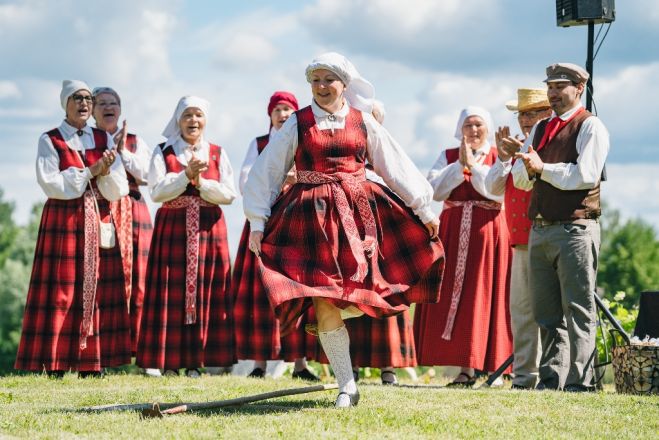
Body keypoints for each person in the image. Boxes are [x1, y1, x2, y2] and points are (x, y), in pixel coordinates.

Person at [243, 52, 445, 407]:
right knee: (322, 293)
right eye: (315, 81)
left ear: (344, 84)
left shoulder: (362, 120)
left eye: (328, 80)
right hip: (312, 220)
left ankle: (348, 370)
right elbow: (268, 170)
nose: (321, 87)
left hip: (359, 213)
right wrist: (258, 221)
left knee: (354, 291)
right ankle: (346, 384)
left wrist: (423, 207)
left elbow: (393, 165)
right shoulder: (298, 123)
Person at [15, 80, 131, 378]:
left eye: (87, 99)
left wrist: (104, 174)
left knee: (99, 287)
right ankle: (55, 362)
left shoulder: (102, 138)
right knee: (61, 290)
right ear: (65, 104)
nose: (83, 103)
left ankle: (92, 363)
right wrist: (91, 172)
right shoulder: (50, 139)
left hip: (97, 215)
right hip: (64, 220)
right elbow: (50, 183)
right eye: (76, 98)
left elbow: (119, 187)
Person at [510, 63, 609, 392]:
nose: (553, 93)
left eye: (560, 86)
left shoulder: (591, 126)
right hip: (541, 228)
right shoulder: (540, 130)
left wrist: (541, 167)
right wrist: (524, 165)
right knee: (547, 313)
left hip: (576, 229)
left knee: (579, 308)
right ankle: (550, 380)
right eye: (550, 86)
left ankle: (581, 382)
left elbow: (586, 175)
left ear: (579, 89)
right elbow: (521, 181)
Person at [137, 96, 237, 378]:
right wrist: (185, 176)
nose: (193, 121)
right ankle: (169, 363)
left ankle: (196, 362)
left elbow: (229, 194)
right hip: (174, 226)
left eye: (198, 115)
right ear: (178, 120)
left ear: (205, 120)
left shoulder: (216, 152)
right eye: (187, 116)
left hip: (209, 228)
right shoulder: (164, 151)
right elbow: (157, 191)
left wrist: (201, 182)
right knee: (170, 292)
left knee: (208, 291)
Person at [413, 106, 513, 387]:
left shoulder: (498, 156)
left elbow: (496, 190)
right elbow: (434, 190)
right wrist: (459, 166)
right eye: (468, 125)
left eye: (479, 125)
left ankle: (494, 368)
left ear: (488, 128)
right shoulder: (447, 156)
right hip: (453, 233)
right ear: (460, 129)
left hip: (488, 234)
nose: (474, 130)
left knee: (487, 296)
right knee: (457, 298)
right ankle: (465, 369)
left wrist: (473, 166)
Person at [233, 91, 319, 380]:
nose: (282, 114)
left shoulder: (304, 141)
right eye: (278, 109)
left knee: (296, 292)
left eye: (288, 109)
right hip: (264, 224)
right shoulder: (259, 144)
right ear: (269, 114)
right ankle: (258, 363)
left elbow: (317, 178)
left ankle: (300, 364)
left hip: (296, 224)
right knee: (261, 296)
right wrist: (282, 177)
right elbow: (246, 181)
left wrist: (299, 177)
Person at [342, 99, 418, 385]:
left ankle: (389, 367)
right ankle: (350, 366)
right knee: (350, 299)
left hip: (384, 241)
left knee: (386, 296)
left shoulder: (389, 154)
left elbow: (404, 184)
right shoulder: (345, 154)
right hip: (349, 239)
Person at [485, 88, 552, 389]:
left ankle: (550, 374)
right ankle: (525, 377)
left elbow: (527, 186)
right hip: (521, 240)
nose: (526, 119)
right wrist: (502, 158)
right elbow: (493, 188)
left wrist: (519, 156)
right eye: (523, 113)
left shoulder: (548, 144)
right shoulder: (520, 144)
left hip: (545, 235)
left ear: (548, 114)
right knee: (522, 312)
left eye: (533, 112)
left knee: (547, 312)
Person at [91, 87, 156, 375]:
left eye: (113, 103)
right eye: (101, 103)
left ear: (120, 109)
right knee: (100, 283)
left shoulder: (134, 141)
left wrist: (122, 152)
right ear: (91, 110)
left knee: (141, 282)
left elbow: (147, 176)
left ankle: (145, 357)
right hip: (98, 208)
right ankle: (97, 355)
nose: (108, 107)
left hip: (132, 209)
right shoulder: (86, 139)